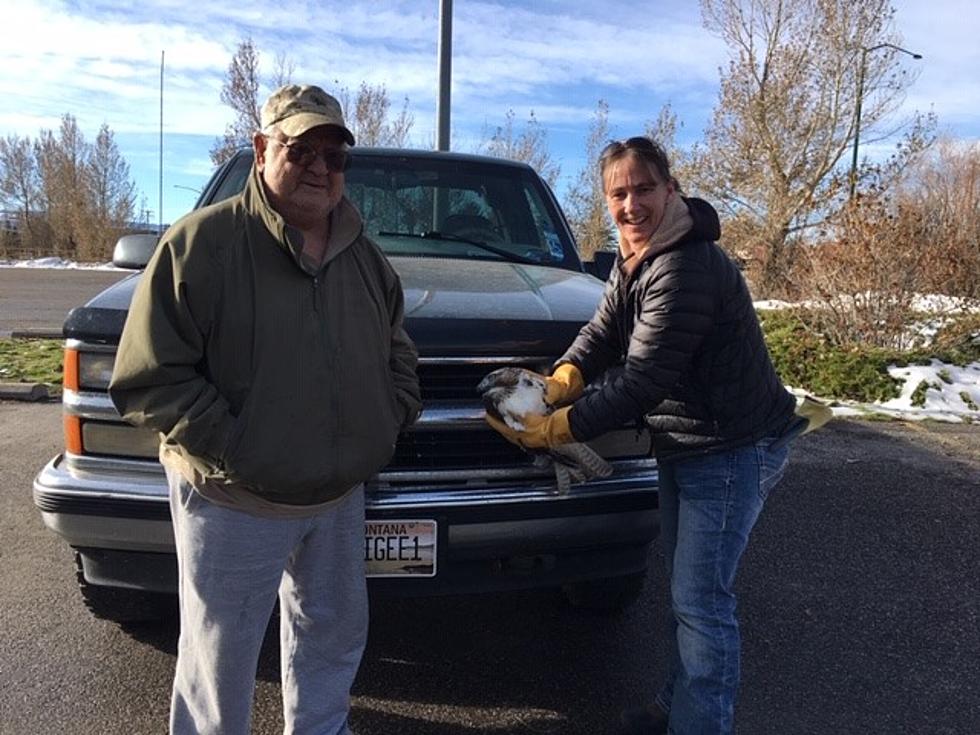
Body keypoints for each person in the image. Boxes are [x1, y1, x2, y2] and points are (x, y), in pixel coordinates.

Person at [109, 84, 421, 735]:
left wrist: (383, 427)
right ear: (260, 149)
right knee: (217, 663)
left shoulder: (365, 258)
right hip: (233, 496)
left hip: (337, 496)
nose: (319, 167)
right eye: (300, 148)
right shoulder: (200, 246)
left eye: (334, 155)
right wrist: (241, 444)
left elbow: (398, 355)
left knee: (330, 641)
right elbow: (150, 378)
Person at [485, 136, 799, 734]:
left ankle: (699, 724)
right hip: (688, 445)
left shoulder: (684, 266)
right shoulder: (636, 259)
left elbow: (645, 378)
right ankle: (674, 707)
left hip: (732, 449)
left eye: (645, 189)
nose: (631, 204)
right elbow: (602, 334)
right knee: (689, 598)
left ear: (671, 190)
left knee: (702, 605)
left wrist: (556, 427)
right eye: (619, 193)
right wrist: (562, 378)